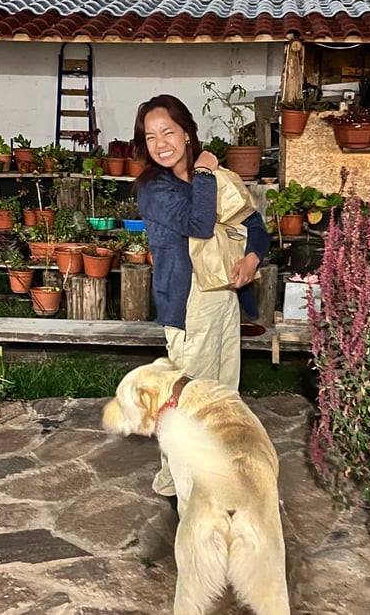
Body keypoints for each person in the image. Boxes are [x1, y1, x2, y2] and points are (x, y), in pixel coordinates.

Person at [132, 94, 270, 498]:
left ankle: (199, 479)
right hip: (189, 304)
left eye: (168, 132)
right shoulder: (155, 189)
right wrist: (206, 172)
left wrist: (251, 258)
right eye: (151, 136)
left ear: (187, 133)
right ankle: (185, 493)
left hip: (223, 297)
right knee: (188, 402)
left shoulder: (217, 178)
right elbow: (200, 223)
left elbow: (255, 225)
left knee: (223, 396)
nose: (160, 143)